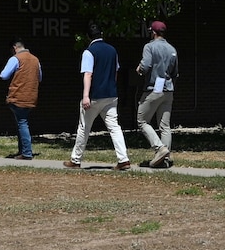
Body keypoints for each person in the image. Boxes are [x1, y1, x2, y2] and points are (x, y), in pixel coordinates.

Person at [64, 22, 131, 170]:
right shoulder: (113, 50)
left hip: (95, 95)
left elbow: (88, 74)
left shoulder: (89, 52)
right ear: (102, 34)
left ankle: (75, 160)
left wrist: (85, 95)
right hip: (111, 95)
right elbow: (115, 72)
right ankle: (123, 159)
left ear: (88, 37)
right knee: (114, 127)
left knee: (84, 128)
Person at [136, 21, 178, 168]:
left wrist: (140, 69)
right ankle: (165, 159)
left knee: (142, 120)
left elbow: (146, 66)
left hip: (153, 89)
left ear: (153, 32)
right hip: (168, 89)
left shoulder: (149, 47)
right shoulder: (172, 49)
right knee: (165, 125)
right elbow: (174, 72)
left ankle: (160, 149)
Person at [0, 38, 42, 160]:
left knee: (22, 123)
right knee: (21, 122)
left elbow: (4, 75)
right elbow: (40, 77)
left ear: (14, 48)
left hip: (18, 97)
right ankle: (22, 150)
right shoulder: (35, 60)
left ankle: (27, 153)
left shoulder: (15, 58)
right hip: (32, 96)